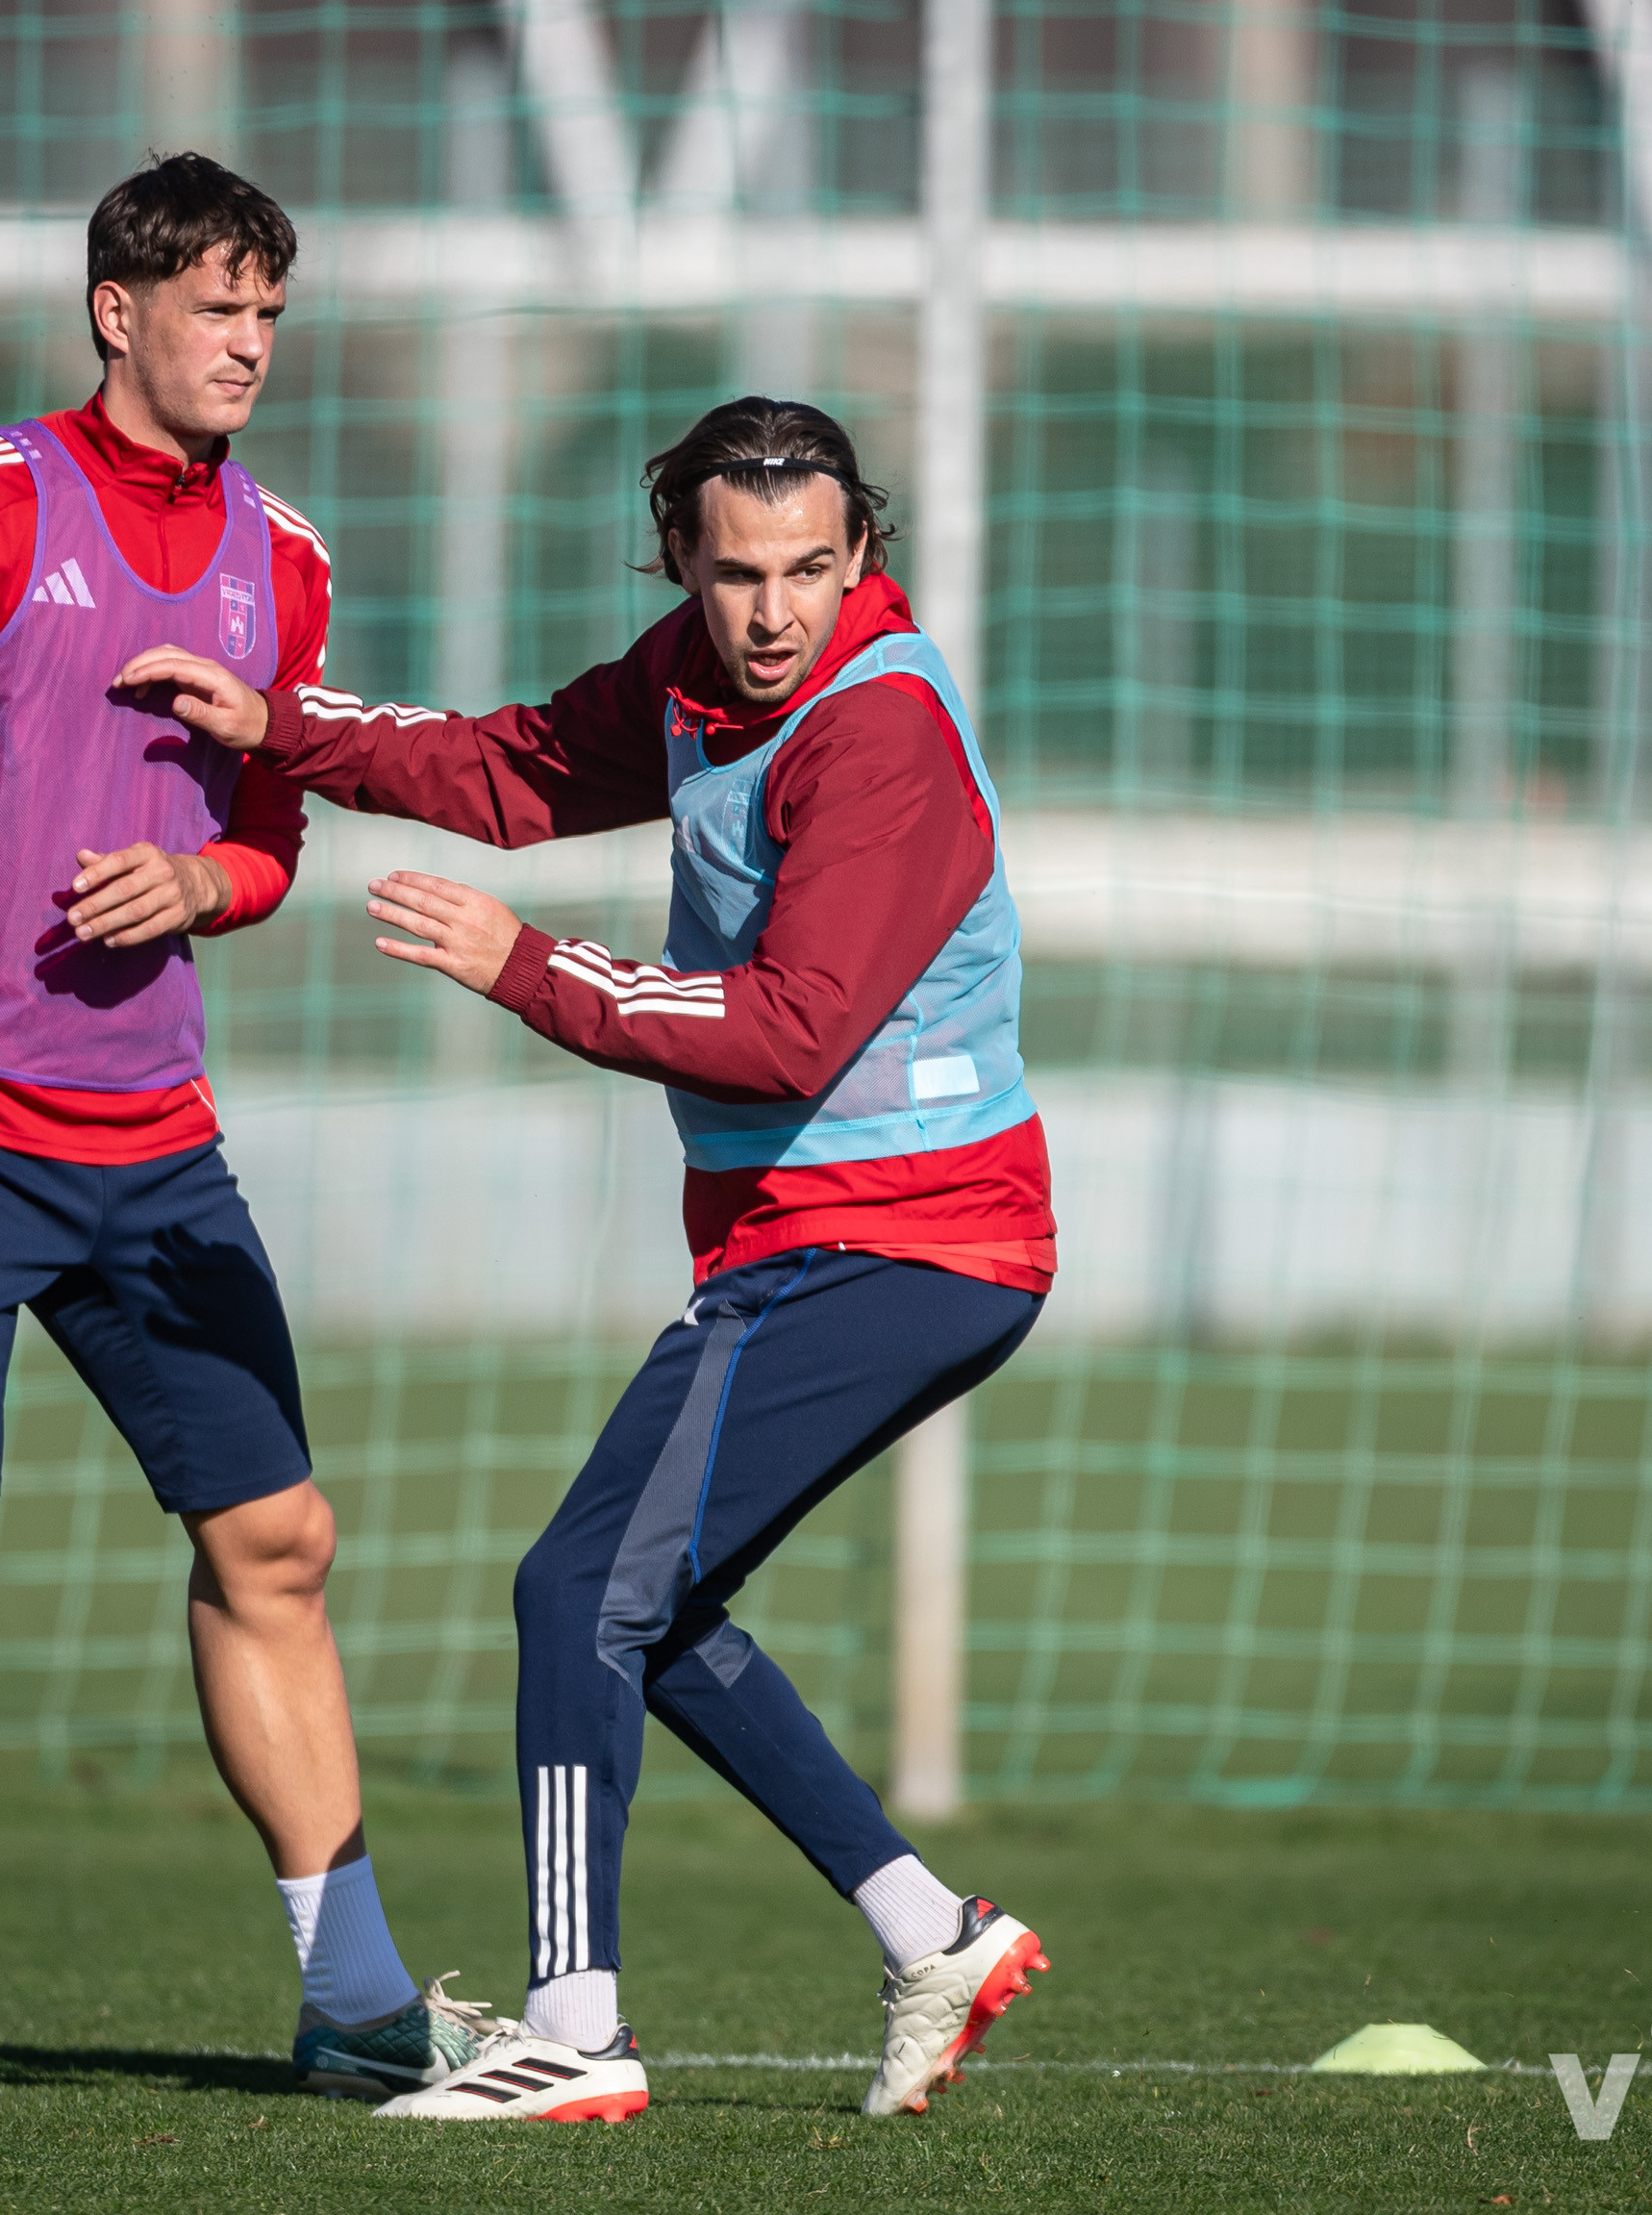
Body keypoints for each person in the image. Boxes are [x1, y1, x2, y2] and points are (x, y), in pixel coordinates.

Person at [117, 397, 1057, 2124]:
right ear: (681, 558)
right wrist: (285, 724)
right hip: (819, 1237)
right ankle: (934, 1933)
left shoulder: (883, 735)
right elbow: (517, 768)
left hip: (909, 1239)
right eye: (738, 572)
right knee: (656, 1611)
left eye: (813, 569)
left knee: (574, 1593)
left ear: (863, 553)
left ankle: (575, 2029)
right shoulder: (699, 680)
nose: (774, 609)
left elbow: (785, 1033)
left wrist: (524, 963)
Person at [0, 154, 480, 2105]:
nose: (251, 343)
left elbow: (274, 827)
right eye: (219, 307)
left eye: (271, 313)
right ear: (115, 313)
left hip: (153, 1142)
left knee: (278, 1537)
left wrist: (205, 884)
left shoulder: (286, 556)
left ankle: (352, 1999)